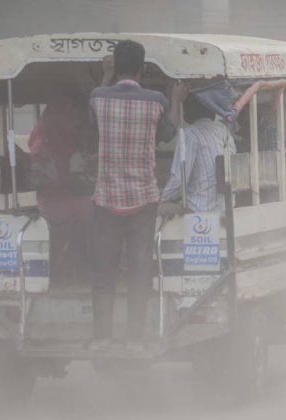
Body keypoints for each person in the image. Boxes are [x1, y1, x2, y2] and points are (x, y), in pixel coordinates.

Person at [89, 40, 186, 352]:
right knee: (139, 271)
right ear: (143, 69)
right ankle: (134, 340)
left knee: (104, 271)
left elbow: (93, 123)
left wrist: (106, 76)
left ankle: (102, 338)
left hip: (106, 199)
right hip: (143, 199)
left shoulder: (98, 97)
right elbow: (168, 134)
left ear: (115, 66)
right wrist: (176, 98)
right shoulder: (156, 101)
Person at [27, 95, 96, 287]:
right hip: (56, 204)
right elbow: (37, 179)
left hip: (69, 201)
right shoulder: (42, 146)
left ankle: (78, 271)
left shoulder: (68, 144)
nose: (76, 123)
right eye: (71, 118)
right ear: (56, 118)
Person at [160, 94, 236, 212]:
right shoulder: (224, 131)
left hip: (199, 209)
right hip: (227, 207)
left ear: (187, 114)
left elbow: (179, 181)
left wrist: (161, 198)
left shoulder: (189, 134)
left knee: (160, 209)